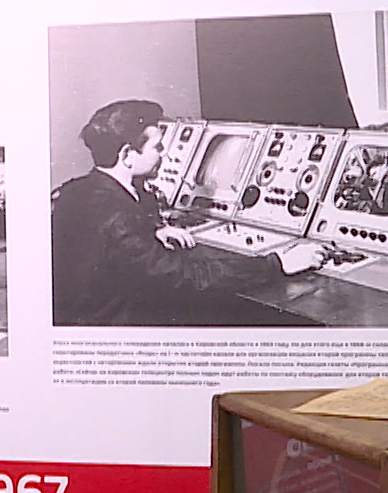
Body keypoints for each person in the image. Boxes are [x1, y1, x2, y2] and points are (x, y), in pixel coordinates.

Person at [51, 100, 285, 325]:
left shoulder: (73, 191)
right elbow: (192, 277)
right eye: (157, 147)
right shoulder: (120, 220)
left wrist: (151, 230)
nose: (164, 155)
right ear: (127, 155)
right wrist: (274, 264)